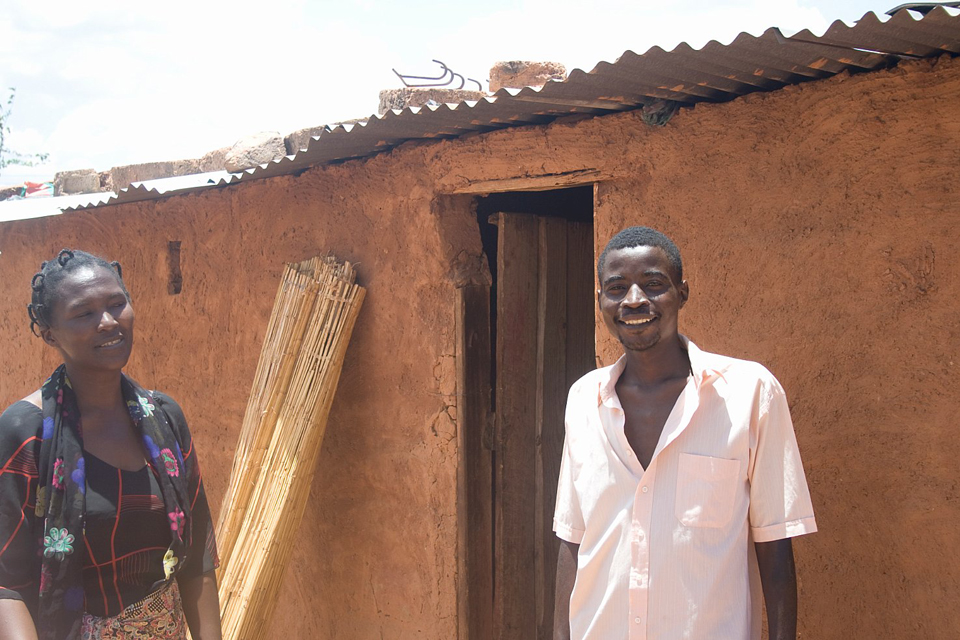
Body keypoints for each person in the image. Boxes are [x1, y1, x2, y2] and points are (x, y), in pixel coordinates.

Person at [553, 227, 817, 640]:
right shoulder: (584, 398)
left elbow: (776, 547)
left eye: (654, 284)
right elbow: (574, 541)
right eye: (617, 287)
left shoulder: (749, 393)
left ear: (682, 293)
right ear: (601, 301)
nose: (634, 300)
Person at [0, 250, 222, 640]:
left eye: (117, 304)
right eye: (84, 313)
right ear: (50, 333)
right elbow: (7, 584)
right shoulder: (25, 433)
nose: (107, 322)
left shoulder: (164, 419)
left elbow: (196, 557)